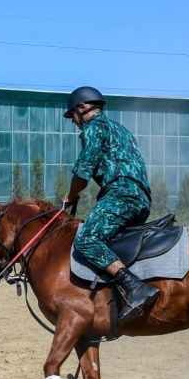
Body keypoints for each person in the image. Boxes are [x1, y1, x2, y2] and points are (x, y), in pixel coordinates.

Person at [62, 86, 159, 324]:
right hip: (141, 198)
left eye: (72, 115)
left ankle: (134, 287)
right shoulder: (121, 129)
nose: (74, 121)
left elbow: (83, 171)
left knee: (86, 239)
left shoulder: (94, 127)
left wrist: (71, 196)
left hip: (120, 195)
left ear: (82, 108)